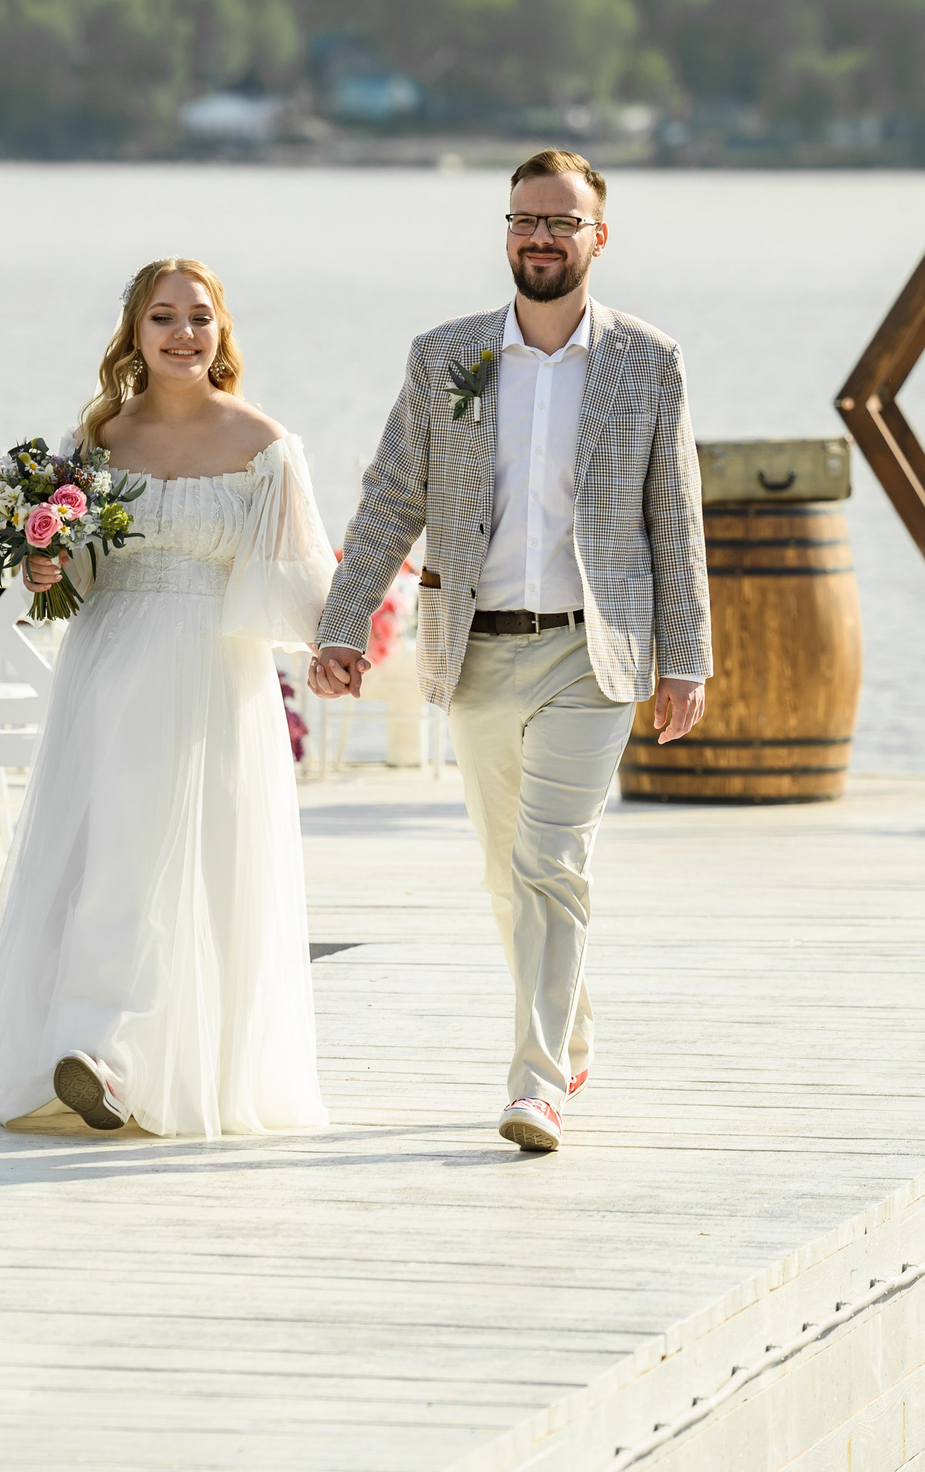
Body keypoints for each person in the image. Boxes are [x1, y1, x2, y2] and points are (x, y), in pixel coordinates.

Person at [310, 149, 711, 1154]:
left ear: (597, 237)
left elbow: (676, 513)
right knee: (505, 873)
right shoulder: (448, 356)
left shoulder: (646, 360)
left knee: (548, 861)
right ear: (507, 231)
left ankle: (535, 1084)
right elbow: (393, 495)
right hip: (476, 652)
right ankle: (568, 1025)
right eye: (525, 219)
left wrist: (686, 655)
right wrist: (342, 620)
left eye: (561, 222)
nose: (540, 236)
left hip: (593, 654)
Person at [0, 257, 333, 1139]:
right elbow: (76, 580)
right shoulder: (98, 445)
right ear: (136, 333)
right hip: (111, 669)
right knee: (109, 858)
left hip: (213, 672)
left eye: (200, 317)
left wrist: (333, 647)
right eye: (164, 317)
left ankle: (144, 1061)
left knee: (191, 864)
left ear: (221, 331)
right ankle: (93, 1054)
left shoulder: (265, 446)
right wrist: (47, 563)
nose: (183, 333)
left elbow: (303, 580)